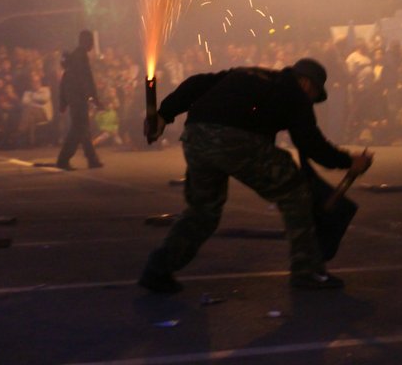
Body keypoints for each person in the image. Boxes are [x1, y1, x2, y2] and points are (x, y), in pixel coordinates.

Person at [138, 58, 373, 293]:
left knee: (203, 211)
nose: (312, 100)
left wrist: (163, 114)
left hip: (196, 137)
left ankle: (158, 270)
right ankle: (307, 270)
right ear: (306, 82)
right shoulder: (294, 93)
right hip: (234, 139)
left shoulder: (248, 74)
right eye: (314, 93)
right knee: (295, 190)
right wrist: (349, 162)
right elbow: (311, 143)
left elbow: (196, 84)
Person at [55, 30, 103, 170]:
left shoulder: (75, 57)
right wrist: (94, 98)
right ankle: (63, 159)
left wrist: (63, 101)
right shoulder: (81, 57)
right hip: (78, 100)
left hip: (74, 99)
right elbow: (86, 80)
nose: (92, 45)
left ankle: (92, 159)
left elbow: (66, 80)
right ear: (86, 41)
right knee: (78, 129)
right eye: (91, 42)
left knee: (83, 129)